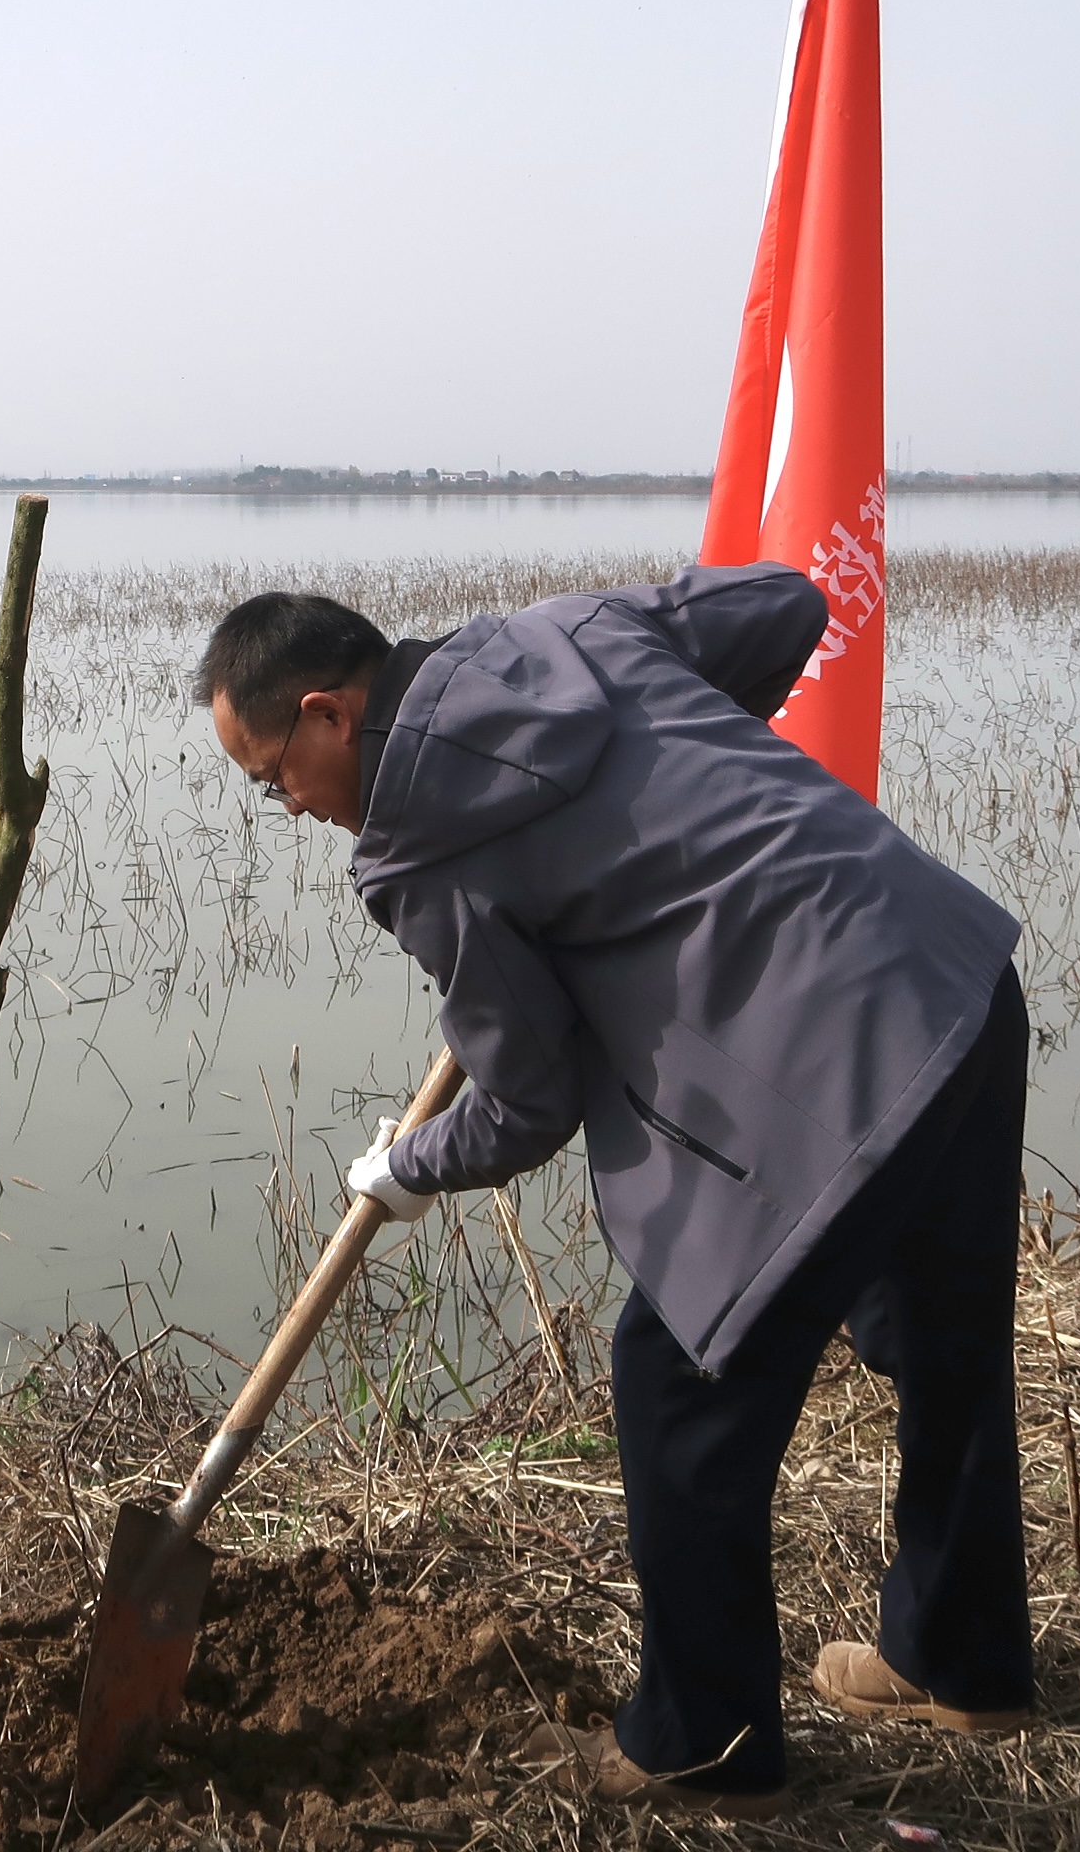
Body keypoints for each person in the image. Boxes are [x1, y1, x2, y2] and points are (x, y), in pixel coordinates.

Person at [195, 567, 1032, 1816]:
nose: (289, 805)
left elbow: (526, 1099)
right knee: (944, 1336)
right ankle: (961, 1657)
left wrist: (406, 1164)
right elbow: (791, 604)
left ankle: (702, 1747)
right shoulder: (567, 631)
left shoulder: (421, 845)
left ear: (324, 711)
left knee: (672, 1382)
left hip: (828, 1064)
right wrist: (686, 765)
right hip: (947, 974)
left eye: (272, 780)